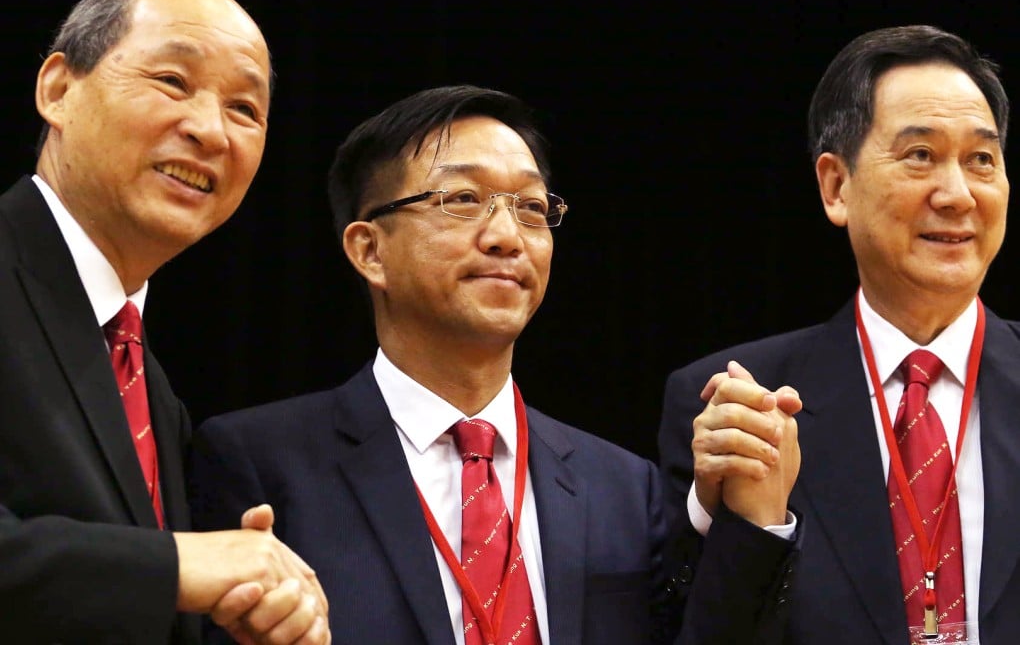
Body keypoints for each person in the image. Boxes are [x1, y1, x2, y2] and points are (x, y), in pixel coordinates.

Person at [189, 84, 799, 645]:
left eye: (532, 209)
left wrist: (752, 517)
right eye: (463, 199)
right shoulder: (259, 462)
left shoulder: (619, 485)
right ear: (369, 250)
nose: (508, 236)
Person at [659, 24, 1020, 644]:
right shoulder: (740, 405)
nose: (958, 194)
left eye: (981, 159)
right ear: (836, 186)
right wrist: (752, 526)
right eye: (921, 156)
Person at [0, 0, 329, 644]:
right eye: (174, 82)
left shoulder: (147, 379)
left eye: (245, 109)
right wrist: (179, 563)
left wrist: (260, 613)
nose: (209, 130)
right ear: (58, 90)